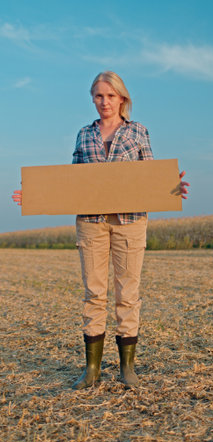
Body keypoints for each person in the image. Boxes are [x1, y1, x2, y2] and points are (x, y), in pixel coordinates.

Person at [12, 71, 189, 389]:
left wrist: (171, 187)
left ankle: (127, 369)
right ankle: (91, 369)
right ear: (93, 99)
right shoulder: (83, 134)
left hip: (130, 222)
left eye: (110, 95)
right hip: (91, 224)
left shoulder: (138, 132)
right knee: (94, 294)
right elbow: (72, 181)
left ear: (122, 98)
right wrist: (36, 195)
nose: (104, 101)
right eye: (98, 96)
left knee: (128, 294)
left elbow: (150, 174)